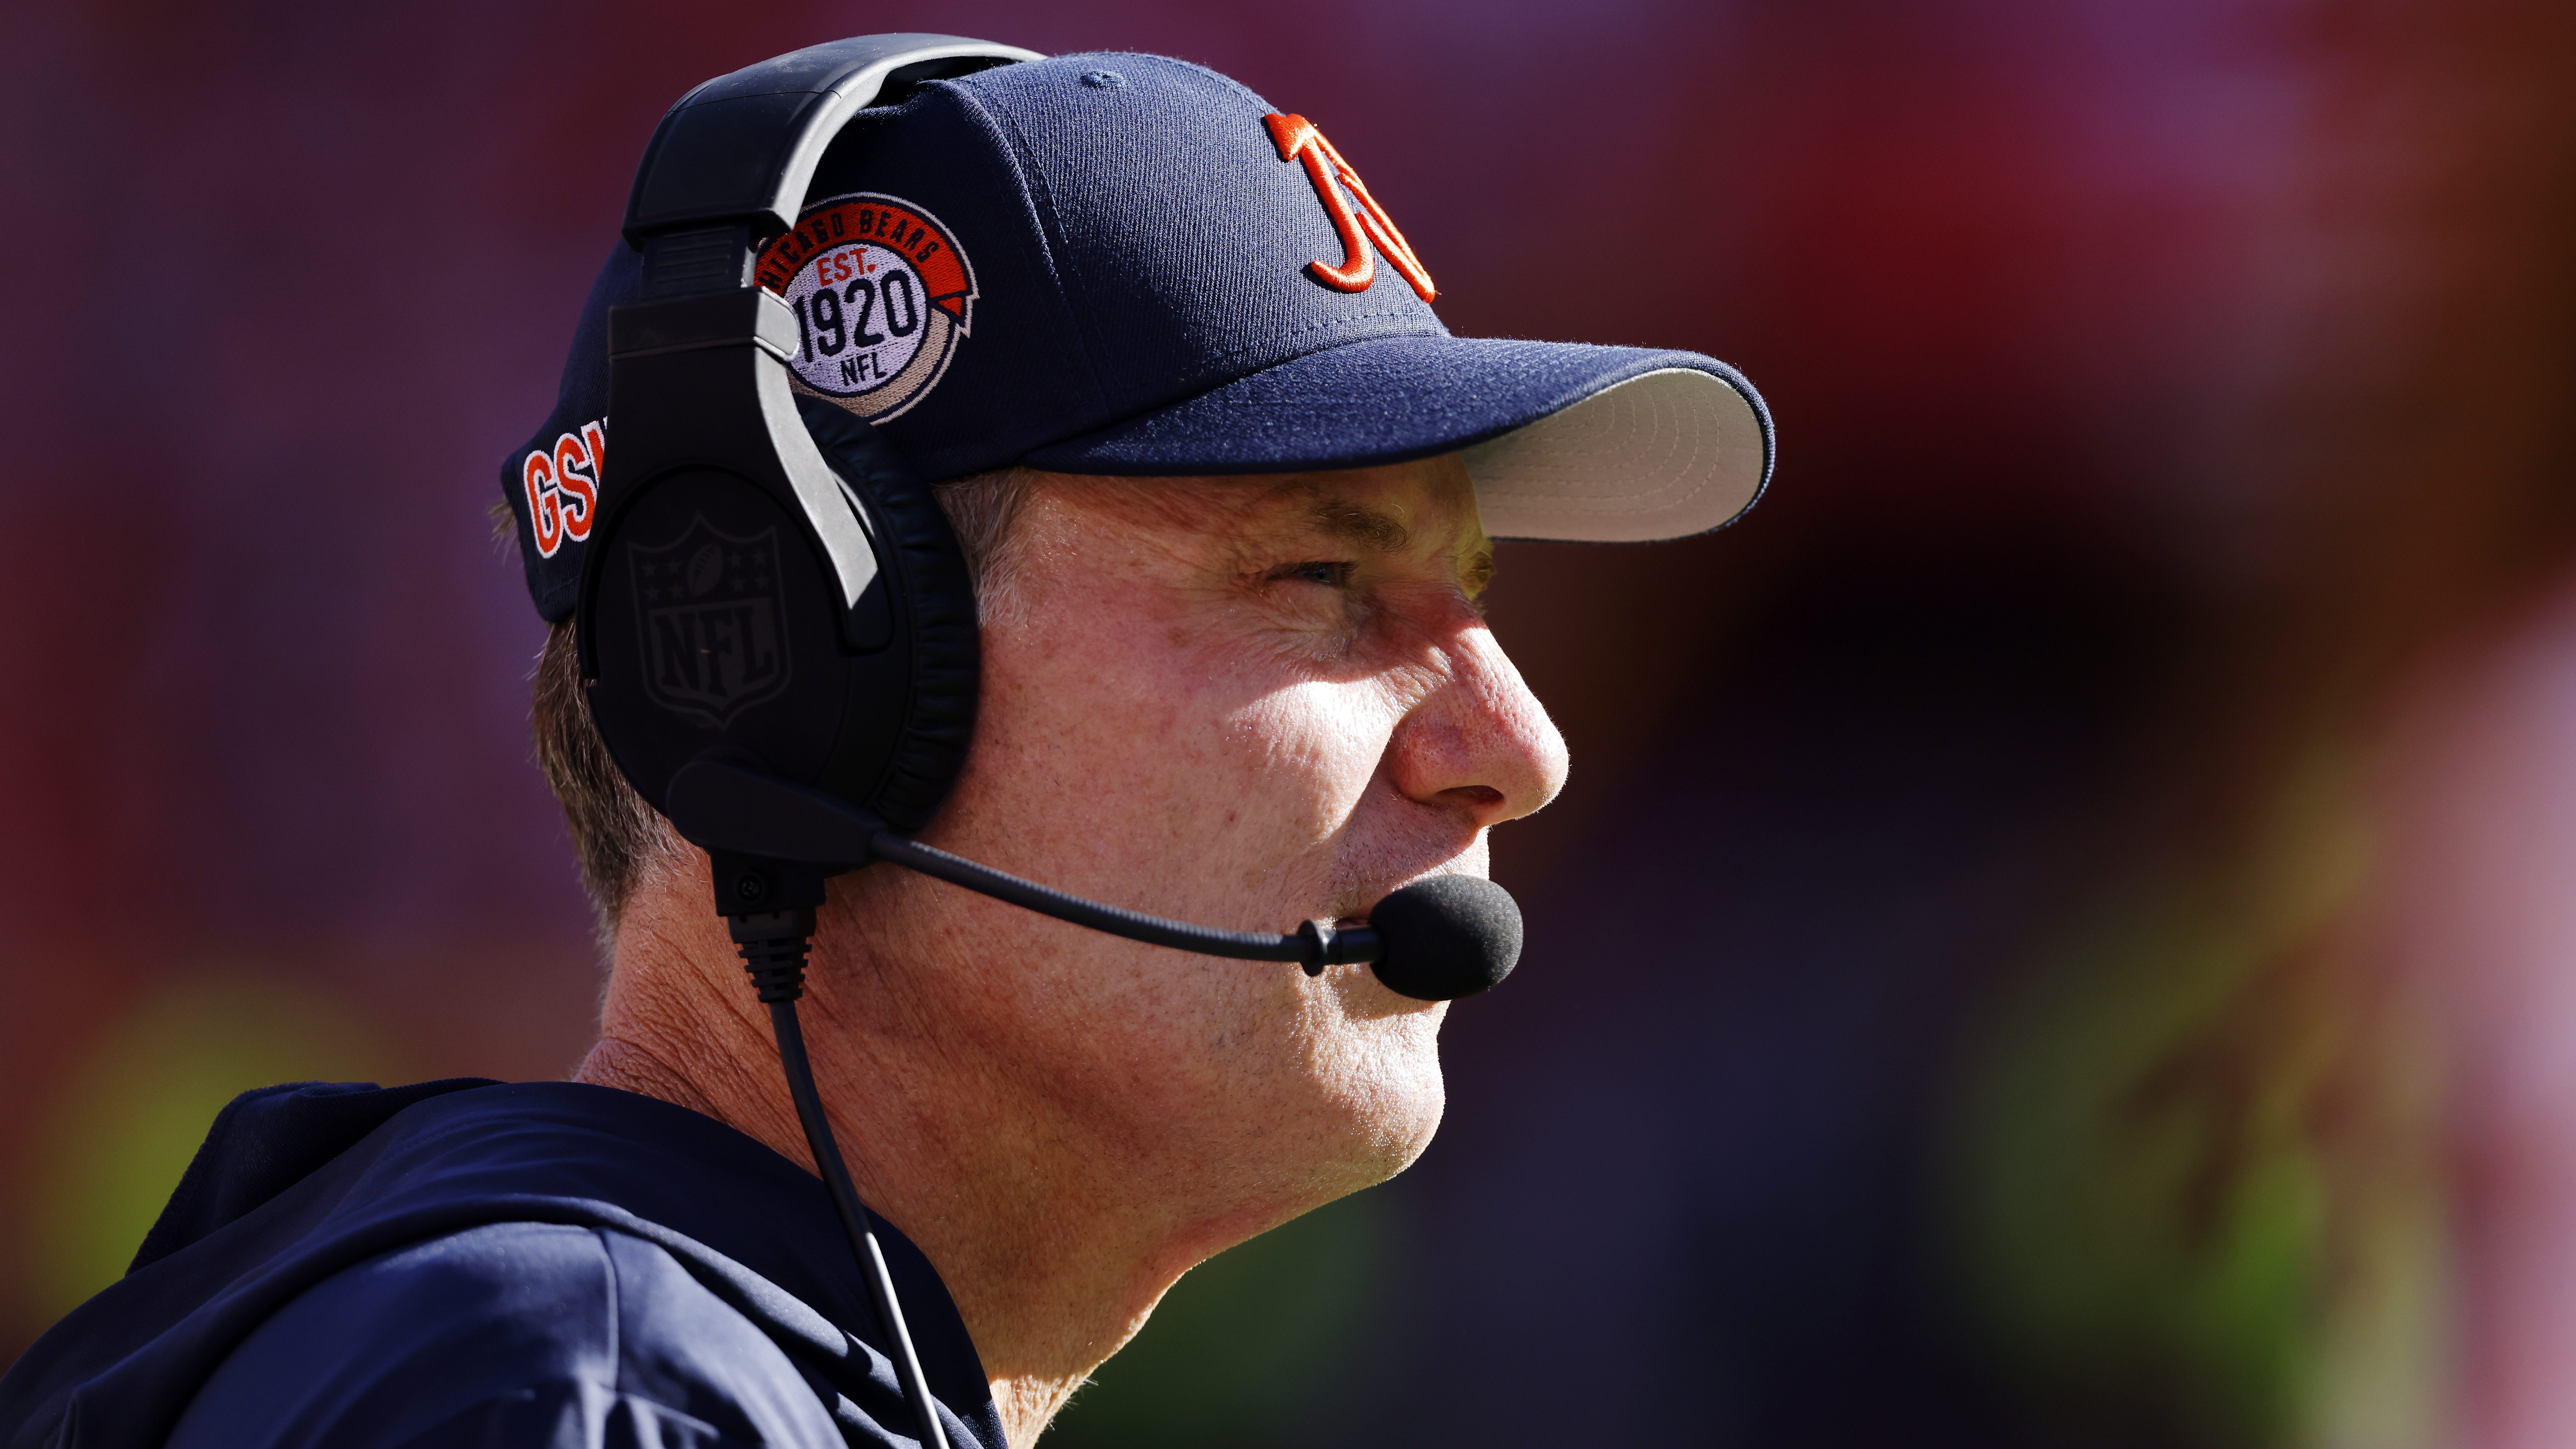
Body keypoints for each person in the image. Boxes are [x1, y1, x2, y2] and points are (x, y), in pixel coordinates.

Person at [0, 43, 1769, 1449]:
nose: (1515, 747)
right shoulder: (580, 1397)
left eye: (1476, 594)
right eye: (1317, 578)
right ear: (782, 670)